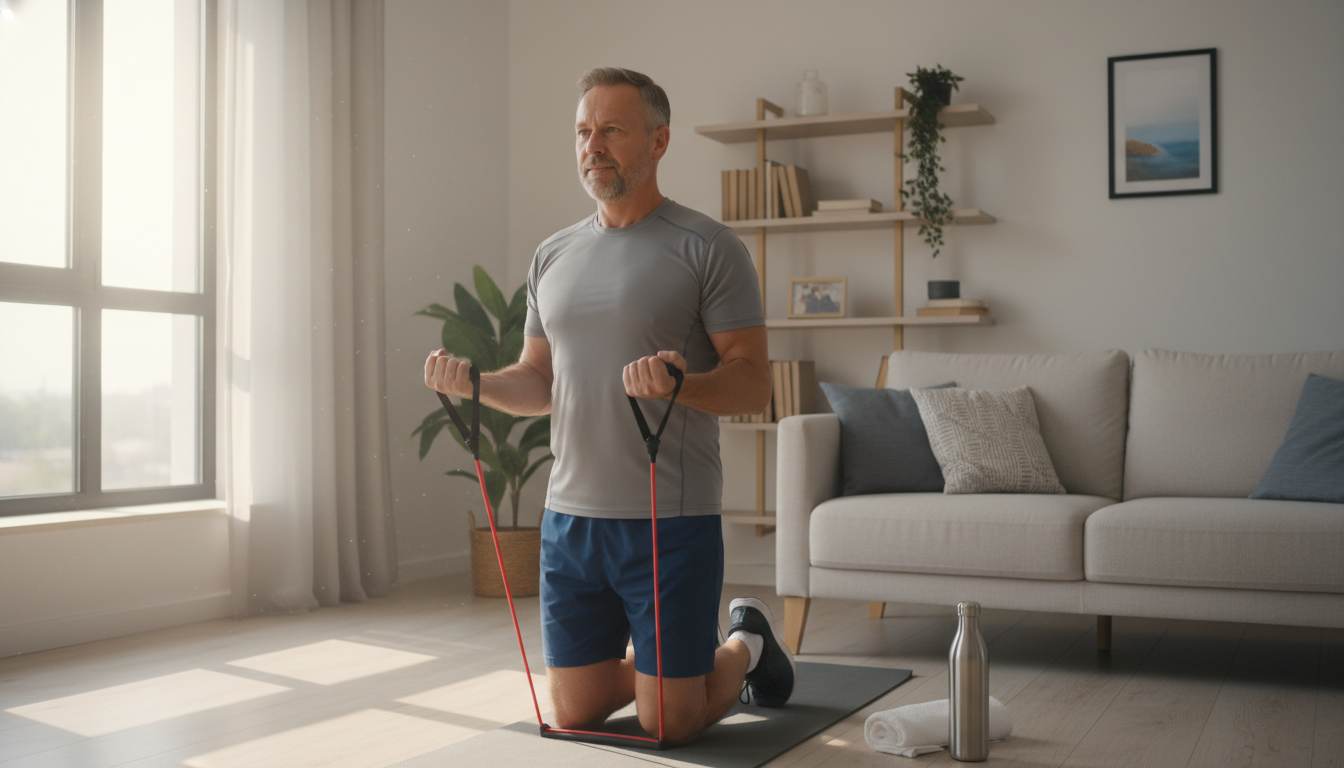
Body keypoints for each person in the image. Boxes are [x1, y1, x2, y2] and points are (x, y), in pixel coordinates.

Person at [424, 67, 794, 745]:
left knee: (668, 723)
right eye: (583, 131)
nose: (592, 145)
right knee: (574, 711)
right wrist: (475, 385)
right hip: (570, 521)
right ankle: (671, 670)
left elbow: (751, 386)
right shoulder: (551, 254)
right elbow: (538, 383)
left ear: (659, 141)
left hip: (668, 520)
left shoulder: (708, 247)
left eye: (612, 130)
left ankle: (746, 644)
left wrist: (683, 384)